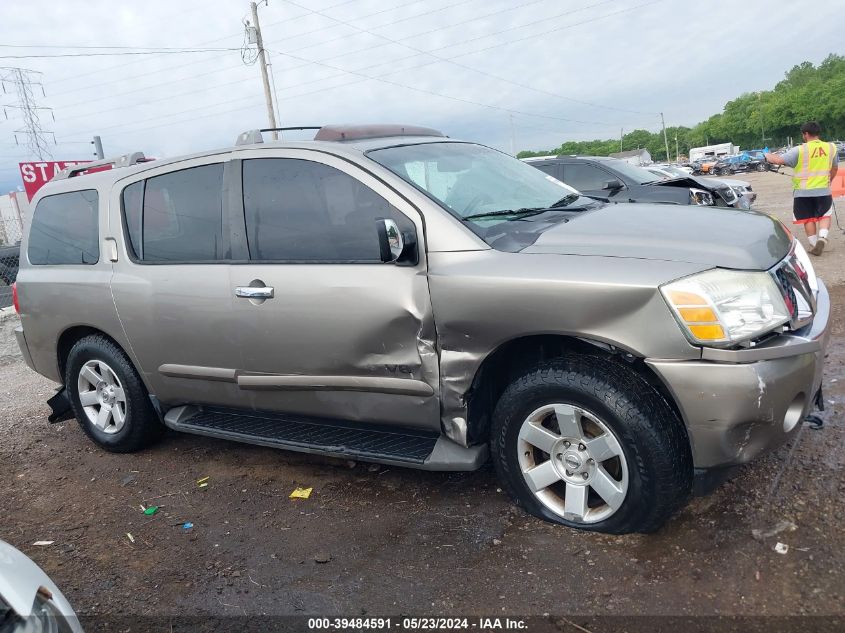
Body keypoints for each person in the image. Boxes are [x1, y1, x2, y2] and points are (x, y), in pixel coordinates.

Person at [766, 122, 839, 255]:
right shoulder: (831, 147)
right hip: (823, 189)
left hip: (803, 192)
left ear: (805, 134)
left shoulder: (799, 150)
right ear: (818, 133)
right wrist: (830, 180)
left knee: (808, 219)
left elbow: (778, 160)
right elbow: (834, 168)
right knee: (825, 215)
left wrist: (766, 155)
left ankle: (813, 244)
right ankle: (822, 238)